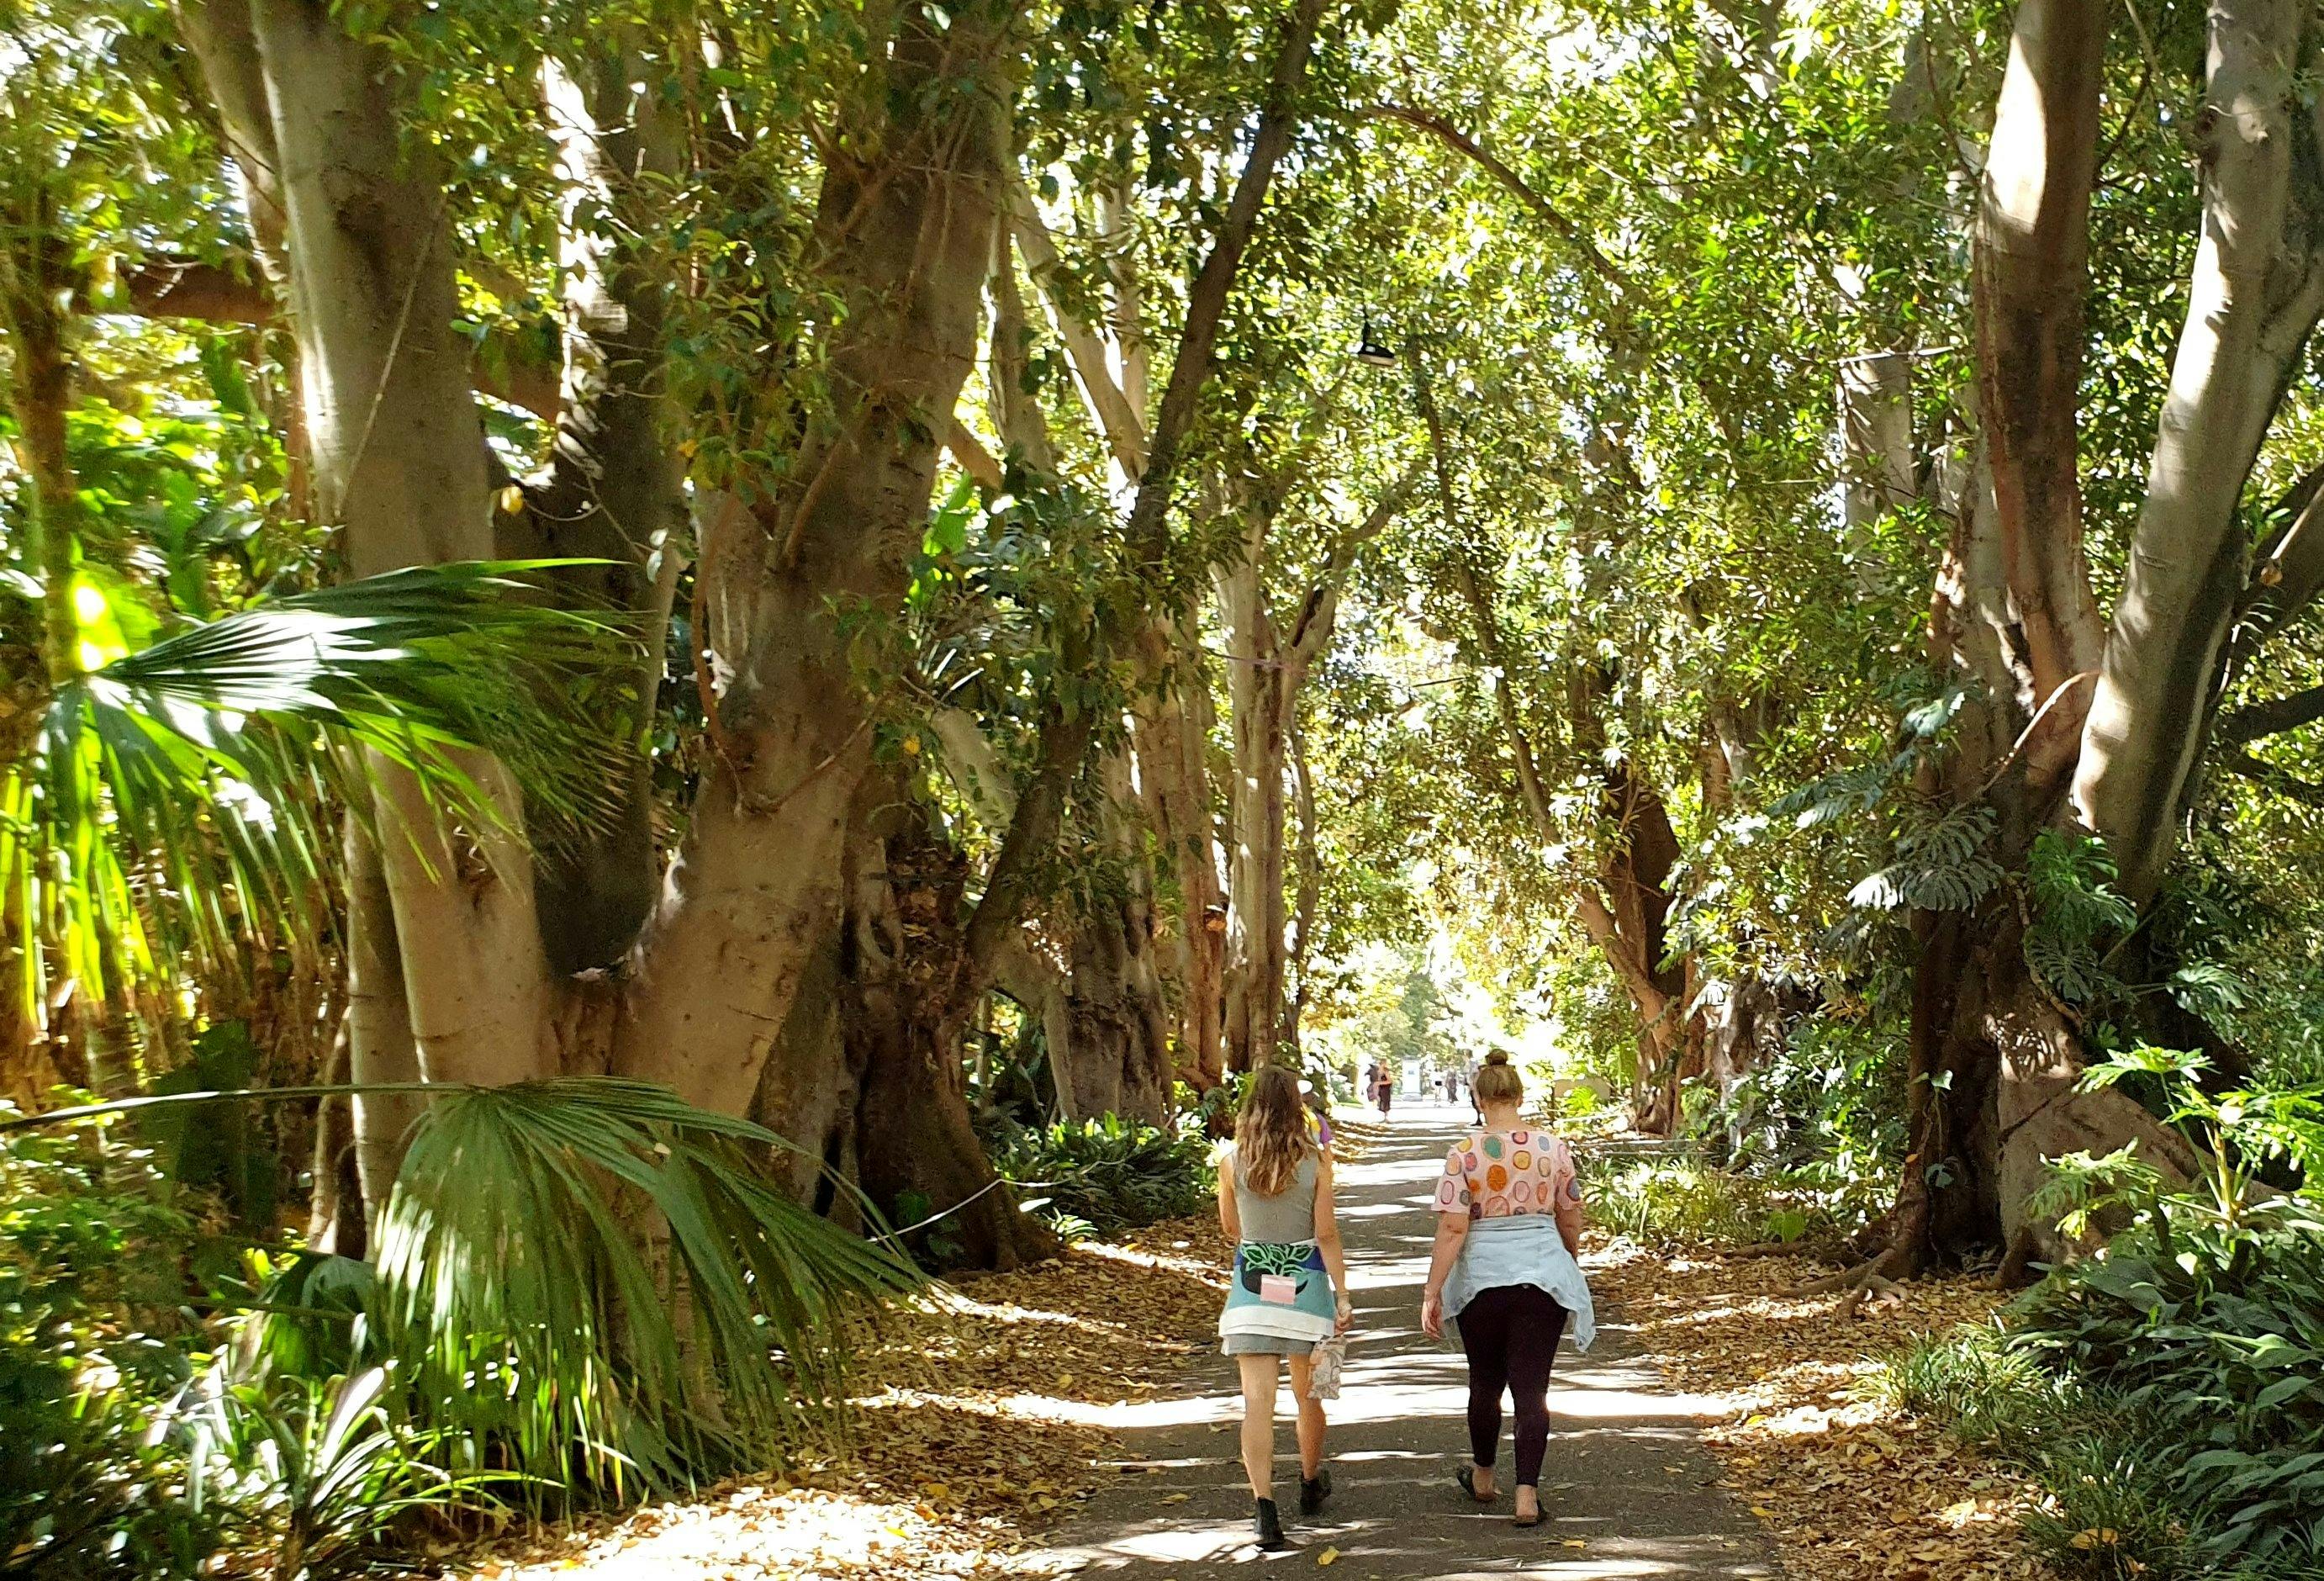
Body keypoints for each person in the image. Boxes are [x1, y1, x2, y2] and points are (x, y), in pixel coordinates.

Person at [1420, 1050, 1595, 1528]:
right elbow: (1570, 1215)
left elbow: (1453, 1228)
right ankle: (1526, 1496)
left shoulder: (1463, 1153)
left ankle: (1482, 1477)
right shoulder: (1553, 1148)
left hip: (1482, 1278)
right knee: (1532, 1389)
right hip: (1542, 1276)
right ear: (1519, 1096)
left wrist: (1433, 1290)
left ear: (1479, 1099)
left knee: (1485, 1381)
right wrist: (1567, 1259)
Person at [1217, 1065, 1354, 1551]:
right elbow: (1326, 1233)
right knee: (1308, 1396)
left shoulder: (1231, 1163)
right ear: (1296, 1108)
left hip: (1251, 1292)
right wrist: (1342, 1293)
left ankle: (1264, 1510)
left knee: (1257, 1403)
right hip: (1307, 1292)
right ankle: (1311, 1481)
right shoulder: (1316, 1163)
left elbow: (1231, 1229)